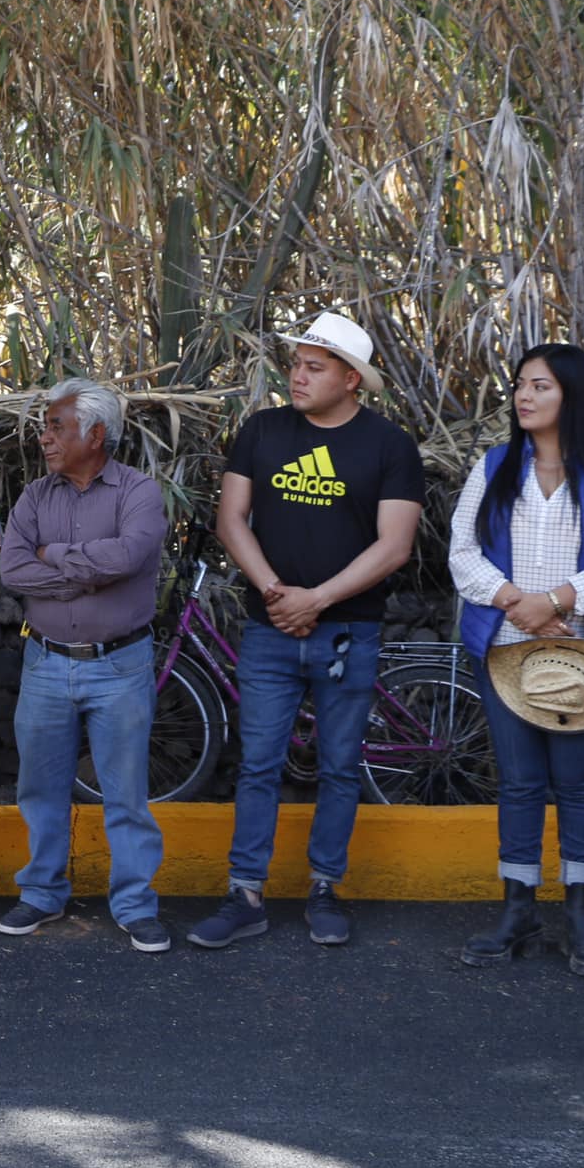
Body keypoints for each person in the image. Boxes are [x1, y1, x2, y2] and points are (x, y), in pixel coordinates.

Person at [189, 310, 425, 951]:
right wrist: (274, 592)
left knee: (340, 765)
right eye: (296, 363)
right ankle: (245, 893)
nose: (297, 376)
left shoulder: (388, 445)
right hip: (270, 631)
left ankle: (325, 886)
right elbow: (232, 519)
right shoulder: (263, 430)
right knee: (258, 765)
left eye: (314, 367)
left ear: (352, 379)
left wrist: (316, 599)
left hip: (348, 632)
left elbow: (394, 545)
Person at [448, 342, 584, 980]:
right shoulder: (497, 467)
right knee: (520, 782)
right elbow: (462, 552)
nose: (523, 396)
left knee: (580, 783)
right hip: (508, 652)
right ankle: (519, 908)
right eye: (519, 386)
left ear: (572, 396)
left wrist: (558, 601)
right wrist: (516, 603)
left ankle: (582, 913)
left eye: (539, 386)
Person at [0, 379, 171, 951]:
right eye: (45, 427)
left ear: (95, 434)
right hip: (45, 663)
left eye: (56, 427)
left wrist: (55, 559)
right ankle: (43, 894)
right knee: (40, 789)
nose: (44, 438)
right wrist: (84, 572)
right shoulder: (35, 497)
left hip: (119, 664)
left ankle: (135, 905)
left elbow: (127, 556)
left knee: (125, 794)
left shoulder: (139, 493)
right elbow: (13, 571)